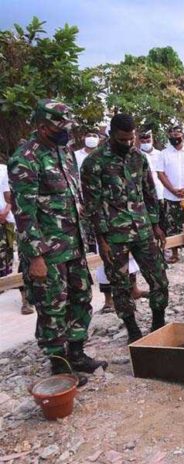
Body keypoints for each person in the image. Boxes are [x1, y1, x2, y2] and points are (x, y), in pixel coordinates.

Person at [8, 99, 107, 381]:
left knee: (81, 297)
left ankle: (76, 353)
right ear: (42, 127)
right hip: (47, 252)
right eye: (59, 126)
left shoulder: (63, 151)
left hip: (73, 244)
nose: (66, 131)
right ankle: (59, 364)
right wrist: (36, 258)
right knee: (53, 306)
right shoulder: (25, 159)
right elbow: (24, 213)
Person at [81, 113, 169, 343]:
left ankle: (158, 323)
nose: (127, 143)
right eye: (122, 139)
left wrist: (156, 224)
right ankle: (132, 329)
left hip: (143, 230)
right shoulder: (94, 162)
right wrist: (101, 240)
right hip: (113, 234)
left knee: (159, 278)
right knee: (120, 286)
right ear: (111, 135)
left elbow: (150, 192)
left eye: (131, 139)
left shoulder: (138, 158)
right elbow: (92, 204)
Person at [156, 125, 184, 263]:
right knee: (172, 224)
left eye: (177, 134)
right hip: (170, 196)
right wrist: (173, 189)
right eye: (172, 134)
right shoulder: (163, 154)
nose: (175, 137)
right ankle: (174, 253)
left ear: (183, 136)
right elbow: (160, 173)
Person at [1, 163, 34, 315]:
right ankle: (26, 299)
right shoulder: (18, 165)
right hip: (24, 222)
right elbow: (9, 196)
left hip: (48, 222)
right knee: (26, 261)